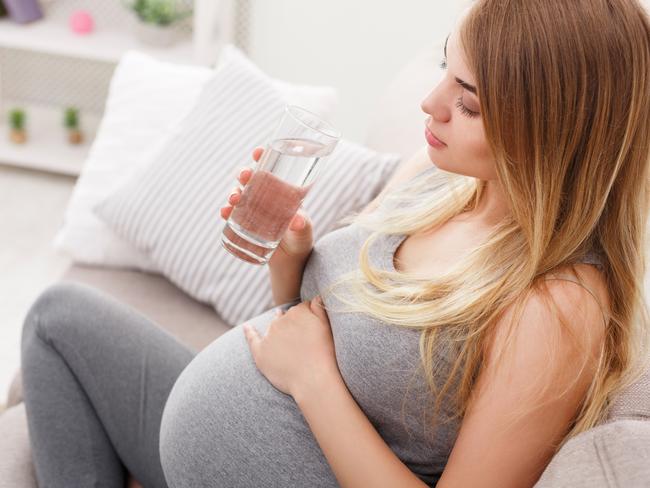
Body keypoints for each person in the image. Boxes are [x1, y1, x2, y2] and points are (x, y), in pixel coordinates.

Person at [20, 0, 650, 486]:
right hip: (220, 441)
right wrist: (292, 255)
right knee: (57, 319)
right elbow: (305, 316)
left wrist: (313, 380)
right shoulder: (437, 178)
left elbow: (315, 358)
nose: (430, 105)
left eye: (469, 102)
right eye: (443, 70)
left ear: (553, 131)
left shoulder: (557, 304)